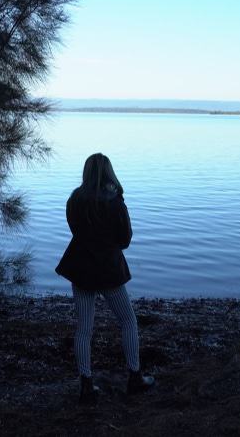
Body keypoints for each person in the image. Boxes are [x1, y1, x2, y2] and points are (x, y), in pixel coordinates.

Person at [55, 152, 155, 405]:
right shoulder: (115, 202)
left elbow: (75, 230)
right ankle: (135, 377)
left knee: (84, 329)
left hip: (81, 267)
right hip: (109, 269)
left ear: (86, 172)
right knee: (128, 321)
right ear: (110, 173)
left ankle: (86, 385)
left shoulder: (74, 199)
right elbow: (125, 240)